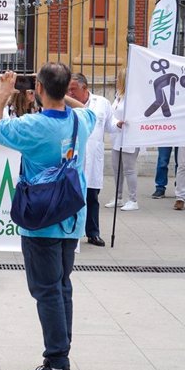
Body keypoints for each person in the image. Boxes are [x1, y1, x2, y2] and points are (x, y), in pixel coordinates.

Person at [0, 63, 96, 370]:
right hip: (72, 217)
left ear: (39, 91)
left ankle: (58, 365)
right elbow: (86, 108)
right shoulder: (81, 121)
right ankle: (58, 355)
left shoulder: (32, 125)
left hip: (42, 221)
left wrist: (3, 94)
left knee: (47, 291)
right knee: (61, 287)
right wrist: (60, 96)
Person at [68, 73, 115, 247]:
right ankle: (71, 232)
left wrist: (120, 124)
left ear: (84, 88)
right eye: (68, 90)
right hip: (72, 158)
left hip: (93, 158)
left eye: (73, 89)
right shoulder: (66, 104)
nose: (70, 93)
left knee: (92, 197)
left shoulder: (102, 103)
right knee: (71, 196)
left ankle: (93, 233)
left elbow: (110, 124)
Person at [105, 68, 140, 211]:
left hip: (130, 136)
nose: (115, 80)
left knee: (129, 169)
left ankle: (133, 200)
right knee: (116, 168)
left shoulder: (134, 97)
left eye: (118, 77)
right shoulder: (119, 95)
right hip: (117, 136)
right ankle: (118, 197)